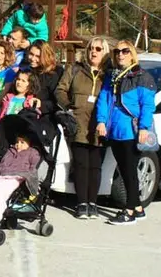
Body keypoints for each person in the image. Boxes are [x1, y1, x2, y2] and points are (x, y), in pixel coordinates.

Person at [96, 40, 156, 225]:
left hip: (131, 129)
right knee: (124, 170)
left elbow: (147, 105)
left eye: (125, 51)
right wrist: (101, 121)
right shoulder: (112, 76)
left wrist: (144, 128)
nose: (120, 54)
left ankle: (129, 211)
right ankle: (138, 207)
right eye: (117, 51)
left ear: (132, 54)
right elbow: (104, 99)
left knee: (130, 170)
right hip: (114, 129)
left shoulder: (142, 77)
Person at [56, 36, 110, 219]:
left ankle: (92, 203)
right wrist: (68, 106)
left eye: (98, 49)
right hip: (78, 122)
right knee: (81, 164)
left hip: (99, 124)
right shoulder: (75, 69)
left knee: (95, 165)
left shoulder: (109, 75)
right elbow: (60, 90)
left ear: (104, 52)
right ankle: (81, 203)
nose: (93, 52)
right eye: (91, 48)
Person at [27, 40, 64, 116]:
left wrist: (41, 104)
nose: (33, 59)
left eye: (38, 56)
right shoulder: (28, 70)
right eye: (31, 54)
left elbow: (58, 101)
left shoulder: (54, 74)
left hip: (46, 115)